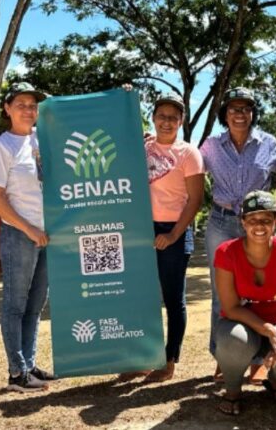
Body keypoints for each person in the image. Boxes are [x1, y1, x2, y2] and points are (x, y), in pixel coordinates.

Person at [118, 93, 204, 383]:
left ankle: (169, 360)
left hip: (174, 232)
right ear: (153, 118)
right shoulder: (141, 148)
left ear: (180, 122)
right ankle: (143, 358)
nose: (166, 121)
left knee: (173, 299)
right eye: (161, 116)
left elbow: (195, 200)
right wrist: (125, 95)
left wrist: (173, 234)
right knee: (142, 299)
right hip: (142, 230)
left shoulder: (189, 153)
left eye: (173, 117)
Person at [200, 87, 276, 383]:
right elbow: (185, 163)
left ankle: (258, 360)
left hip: (257, 226)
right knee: (221, 294)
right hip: (221, 223)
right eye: (233, 108)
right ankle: (224, 357)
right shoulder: (210, 146)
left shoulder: (270, 144)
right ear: (225, 114)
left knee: (260, 291)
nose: (240, 114)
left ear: (253, 114)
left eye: (246, 108)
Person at [214, 190, 276, 415]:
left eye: (266, 220)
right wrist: (269, 331)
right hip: (242, 322)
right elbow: (230, 307)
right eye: (252, 220)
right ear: (242, 222)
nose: (259, 226)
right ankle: (232, 391)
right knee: (233, 340)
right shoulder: (226, 252)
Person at [0, 82, 55, 392]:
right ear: (7, 108)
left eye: (33, 105)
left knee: (36, 304)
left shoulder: (46, 140)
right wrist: (29, 229)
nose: (28, 109)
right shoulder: (2, 147)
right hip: (20, 234)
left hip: (48, 236)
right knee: (15, 304)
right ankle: (17, 372)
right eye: (21, 104)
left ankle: (29, 363)